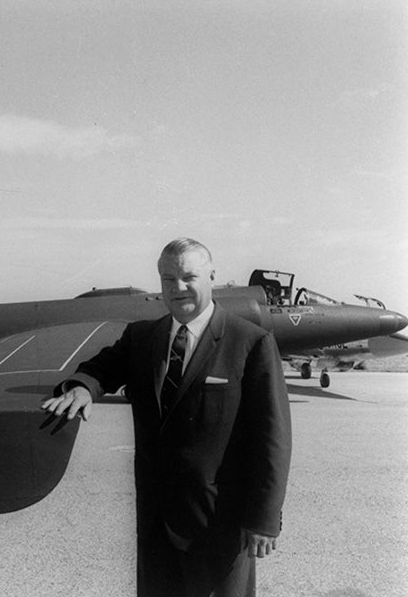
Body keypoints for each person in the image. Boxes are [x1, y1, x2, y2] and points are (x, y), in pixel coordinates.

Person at [42, 238, 292, 597]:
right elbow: (101, 368)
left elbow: (273, 439)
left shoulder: (250, 343)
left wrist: (265, 519)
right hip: (156, 522)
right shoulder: (142, 337)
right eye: (168, 279)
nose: (178, 288)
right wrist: (82, 388)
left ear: (212, 277)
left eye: (189, 277)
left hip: (219, 522)